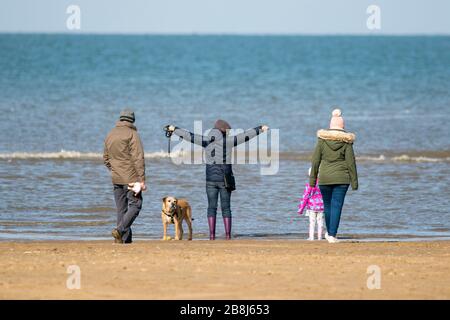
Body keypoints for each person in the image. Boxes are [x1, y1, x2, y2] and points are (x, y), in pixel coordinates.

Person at [166, 120, 269, 240]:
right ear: (224, 132)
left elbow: (189, 136)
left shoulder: (205, 140)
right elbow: (245, 136)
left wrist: (174, 129)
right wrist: (260, 128)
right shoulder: (228, 142)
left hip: (210, 179)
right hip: (225, 179)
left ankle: (212, 236)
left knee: (211, 207)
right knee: (226, 208)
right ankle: (228, 235)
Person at [309, 108, 358, 243]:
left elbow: (315, 161)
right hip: (342, 179)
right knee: (337, 205)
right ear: (343, 127)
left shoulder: (322, 141)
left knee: (328, 205)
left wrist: (312, 180)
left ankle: (329, 233)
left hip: (325, 178)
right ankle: (332, 234)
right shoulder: (346, 142)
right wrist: (354, 182)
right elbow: (351, 163)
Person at [103, 109, 146, 244]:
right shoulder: (133, 134)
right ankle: (120, 230)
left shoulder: (110, 134)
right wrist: (142, 179)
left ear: (121, 119)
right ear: (132, 120)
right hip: (132, 178)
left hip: (116, 178)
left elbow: (105, 159)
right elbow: (138, 158)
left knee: (121, 210)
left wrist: (115, 170)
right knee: (136, 205)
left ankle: (123, 240)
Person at [298, 168, 324, 241]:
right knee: (320, 222)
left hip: (312, 207)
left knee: (312, 222)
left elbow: (305, 197)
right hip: (321, 206)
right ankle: (320, 237)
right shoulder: (323, 184)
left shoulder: (309, 185)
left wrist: (301, 209)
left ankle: (311, 237)